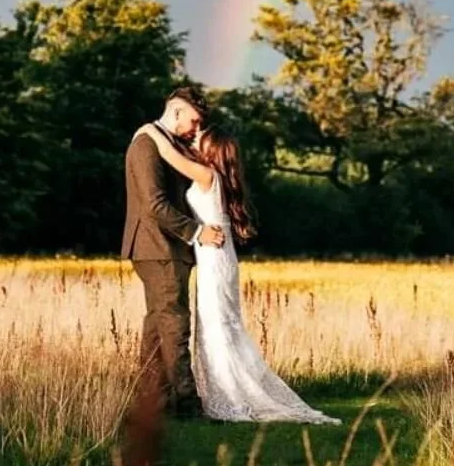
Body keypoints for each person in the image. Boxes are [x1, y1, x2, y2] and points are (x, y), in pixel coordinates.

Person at [133, 120, 341, 424]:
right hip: (216, 256)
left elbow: (166, 152)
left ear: (212, 149)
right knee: (219, 326)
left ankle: (230, 394)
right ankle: (225, 390)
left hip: (214, 258)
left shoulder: (207, 175)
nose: (194, 138)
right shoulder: (214, 176)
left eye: (200, 138)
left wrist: (149, 130)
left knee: (218, 327)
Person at [121, 86, 225, 419]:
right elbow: (154, 205)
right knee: (176, 324)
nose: (196, 129)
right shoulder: (146, 145)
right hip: (157, 246)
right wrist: (197, 232)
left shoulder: (164, 143)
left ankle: (154, 401)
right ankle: (188, 407)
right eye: (194, 121)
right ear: (176, 111)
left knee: (158, 325)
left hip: (164, 247)